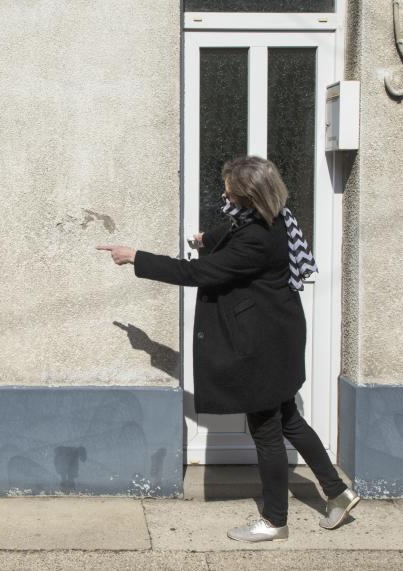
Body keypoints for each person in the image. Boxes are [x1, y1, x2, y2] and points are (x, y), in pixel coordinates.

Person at [97, 155, 359, 542]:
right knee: (290, 420)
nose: (224, 194)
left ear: (250, 197)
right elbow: (232, 234)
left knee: (267, 431)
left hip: (262, 346)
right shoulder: (273, 218)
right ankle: (338, 493)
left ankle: (274, 522)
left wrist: (136, 257)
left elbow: (196, 272)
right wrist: (208, 238)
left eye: (230, 190)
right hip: (278, 337)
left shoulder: (256, 239)